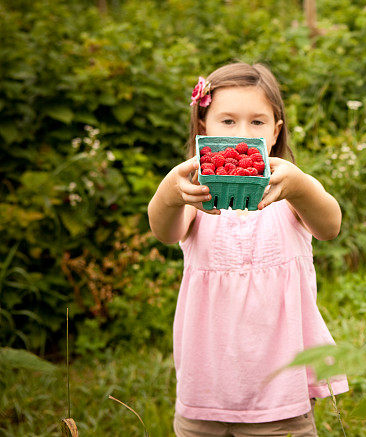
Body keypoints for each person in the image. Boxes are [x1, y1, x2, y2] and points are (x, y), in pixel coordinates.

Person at [147, 62, 348, 436]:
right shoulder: (196, 193)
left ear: (276, 131)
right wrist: (169, 194)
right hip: (206, 384)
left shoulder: (289, 188)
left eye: (257, 122)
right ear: (203, 128)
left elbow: (330, 226)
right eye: (228, 121)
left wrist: (301, 186)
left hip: (279, 387)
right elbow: (164, 230)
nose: (242, 133)